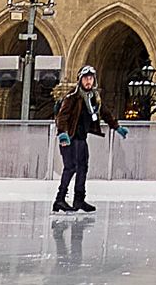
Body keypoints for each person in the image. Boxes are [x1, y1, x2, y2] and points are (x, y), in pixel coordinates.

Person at [52, 62, 122, 213]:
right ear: (80, 80)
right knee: (71, 168)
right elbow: (62, 117)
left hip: (81, 139)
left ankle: (79, 200)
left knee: (82, 168)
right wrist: (62, 134)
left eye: (91, 78)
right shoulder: (72, 97)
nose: (88, 81)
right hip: (69, 138)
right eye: (85, 78)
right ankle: (59, 199)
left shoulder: (94, 98)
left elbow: (105, 113)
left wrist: (116, 126)